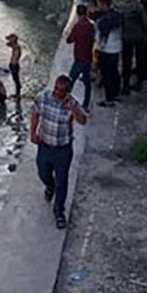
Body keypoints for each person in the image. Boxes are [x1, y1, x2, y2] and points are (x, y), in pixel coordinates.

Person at [30, 74, 89, 229]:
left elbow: (83, 120)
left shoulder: (72, 103)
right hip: (45, 146)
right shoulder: (43, 98)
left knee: (62, 181)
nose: (57, 93)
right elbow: (35, 112)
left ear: (67, 92)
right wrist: (33, 132)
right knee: (43, 173)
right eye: (56, 88)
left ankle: (59, 213)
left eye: (61, 91)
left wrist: (74, 110)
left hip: (63, 149)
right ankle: (50, 186)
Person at [119, 0, 147, 96]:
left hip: (126, 37)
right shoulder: (139, 7)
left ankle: (125, 85)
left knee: (126, 62)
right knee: (139, 59)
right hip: (139, 37)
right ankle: (139, 83)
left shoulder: (122, 6)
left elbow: (120, 21)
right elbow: (145, 22)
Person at [66, 4, 96, 109]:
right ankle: (85, 105)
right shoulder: (91, 26)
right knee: (87, 84)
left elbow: (69, 40)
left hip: (79, 58)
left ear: (77, 14)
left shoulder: (77, 26)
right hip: (88, 57)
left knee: (70, 81)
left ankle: (65, 101)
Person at [95, 0, 122, 107]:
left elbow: (102, 32)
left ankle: (109, 99)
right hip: (116, 48)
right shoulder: (117, 16)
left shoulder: (106, 20)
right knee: (114, 72)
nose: (99, 7)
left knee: (107, 75)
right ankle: (115, 93)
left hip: (106, 50)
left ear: (105, 5)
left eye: (100, 5)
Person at [5, 33, 22, 100]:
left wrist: (11, 39)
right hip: (12, 64)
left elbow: (9, 44)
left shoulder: (17, 47)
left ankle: (18, 94)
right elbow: (7, 43)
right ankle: (17, 92)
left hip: (15, 65)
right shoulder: (14, 46)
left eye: (11, 38)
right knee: (15, 79)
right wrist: (10, 39)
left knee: (16, 80)